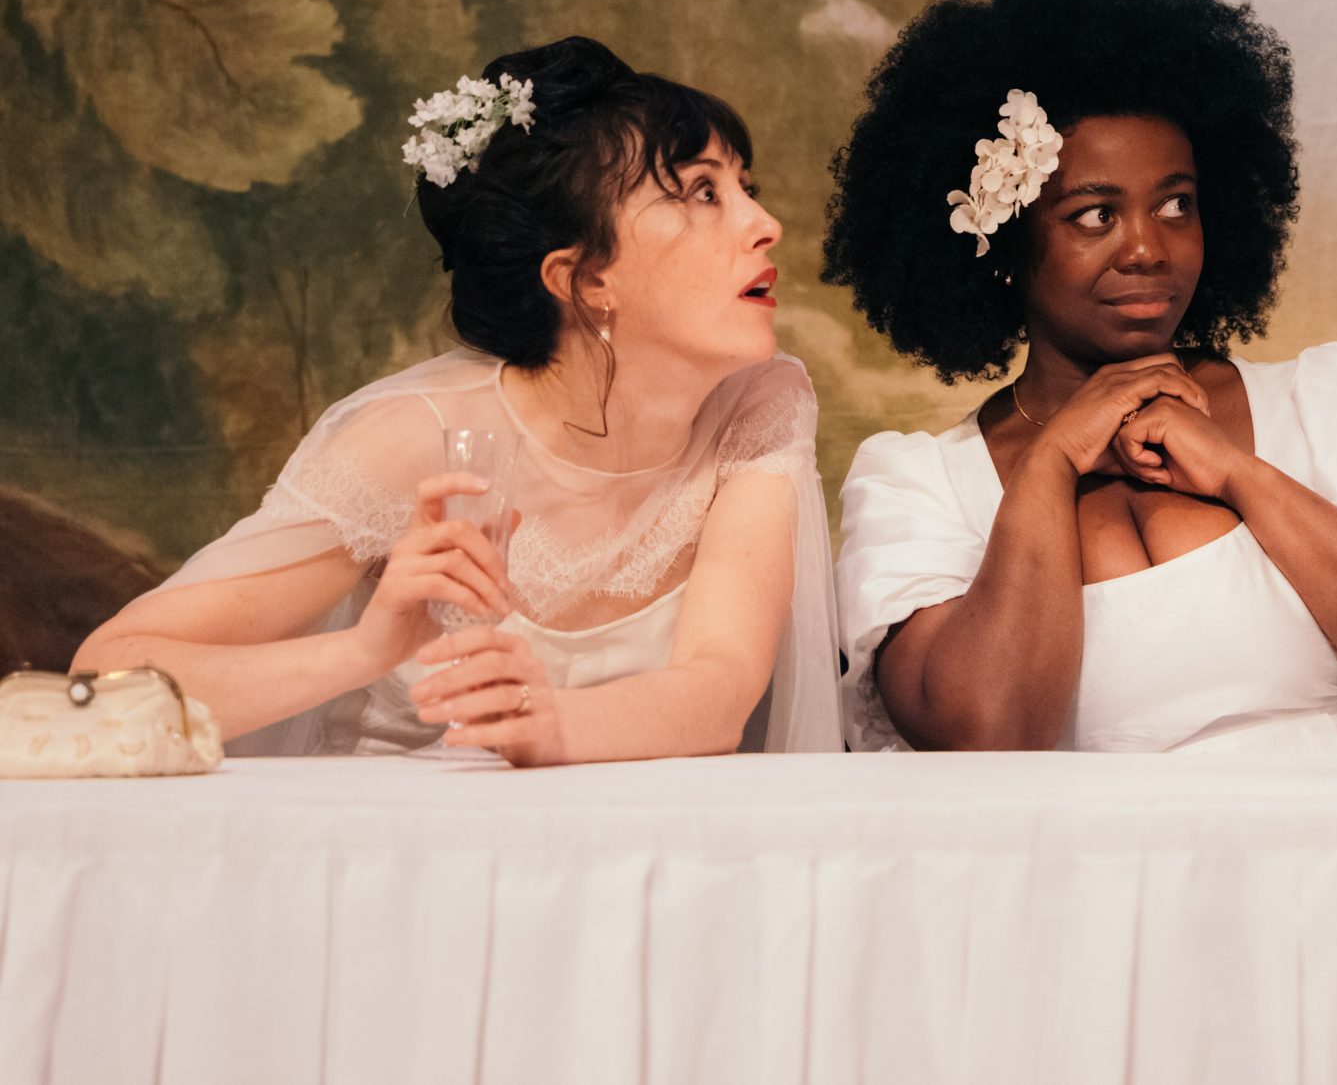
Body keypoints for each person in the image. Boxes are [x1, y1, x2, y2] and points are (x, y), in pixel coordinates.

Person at [823, 0, 1337, 753]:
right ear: (1002, 246)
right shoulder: (918, 483)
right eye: (1095, 215)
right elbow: (991, 739)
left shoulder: (1327, 398)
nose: (1148, 248)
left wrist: (1242, 475)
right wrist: (1053, 460)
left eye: (1176, 205)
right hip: (1106, 872)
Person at [74, 38, 840, 761]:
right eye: (704, 191)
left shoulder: (758, 409)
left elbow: (719, 690)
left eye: (747, 187)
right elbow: (111, 675)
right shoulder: (416, 439)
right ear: (586, 279)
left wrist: (551, 725)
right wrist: (365, 649)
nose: (765, 224)